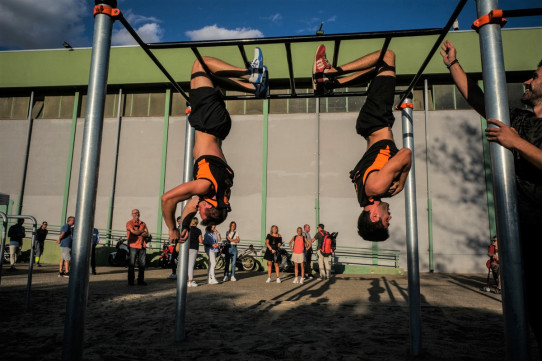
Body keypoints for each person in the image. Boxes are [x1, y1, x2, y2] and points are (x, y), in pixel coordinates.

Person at [440, 39, 542, 354]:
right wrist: (453, 65)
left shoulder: (519, 133)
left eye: (535, 77)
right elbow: (481, 101)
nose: (527, 80)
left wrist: (516, 144)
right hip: (524, 234)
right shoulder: (522, 120)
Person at [161, 48, 269, 245]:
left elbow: (190, 207)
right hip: (208, 123)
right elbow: (167, 199)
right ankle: (251, 74)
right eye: (201, 213)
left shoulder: (221, 196)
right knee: (201, 64)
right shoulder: (205, 186)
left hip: (218, 127)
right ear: (209, 207)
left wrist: (184, 226)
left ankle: (255, 88)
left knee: (209, 76)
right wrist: (172, 229)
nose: (197, 211)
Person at [312, 45, 412, 242]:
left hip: (376, 120)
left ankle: (328, 72)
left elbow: (406, 154)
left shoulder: (377, 187)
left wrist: (402, 181)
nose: (390, 217)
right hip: (372, 126)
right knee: (380, 69)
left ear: (374, 216)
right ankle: (329, 84)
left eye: (386, 221)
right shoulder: (365, 197)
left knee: (388, 56)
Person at [126, 209, 149, 286]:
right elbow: (133, 232)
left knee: (142, 264)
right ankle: (131, 281)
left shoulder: (143, 223)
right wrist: (142, 231)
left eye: (137, 213)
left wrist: (139, 232)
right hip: (133, 246)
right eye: (134, 213)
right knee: (132, 264)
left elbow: (147, 234)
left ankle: (140, 280)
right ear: (132, 214)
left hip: (142, 245)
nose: (136, 214)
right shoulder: (129, 223)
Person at [187, 217, 203, 287]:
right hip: (194, 248)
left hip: (186, 248)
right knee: (191, 265)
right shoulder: (198, 230)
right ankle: (190, 281)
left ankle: (183, 280)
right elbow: (200, 241)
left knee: (184, 265)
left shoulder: (187, 229)